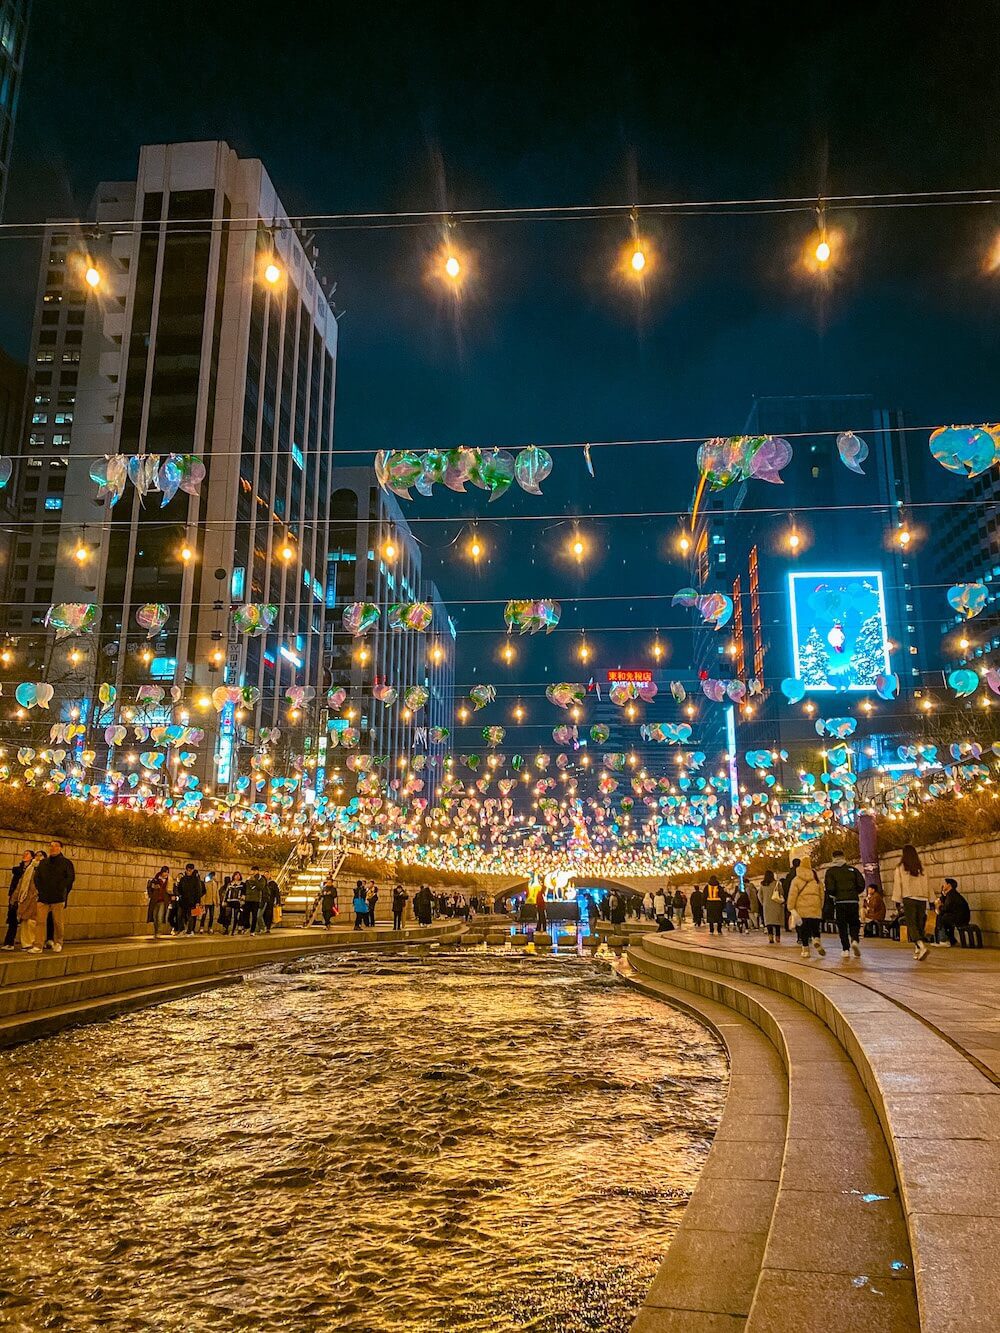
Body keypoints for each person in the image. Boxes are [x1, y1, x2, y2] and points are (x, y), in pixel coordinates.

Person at [29, 840, 74, 954]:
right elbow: (37, 877)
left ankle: (58, 942)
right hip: (43, 896)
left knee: (57, 922)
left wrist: (61, 889)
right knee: (40, 922)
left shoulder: (66, 863)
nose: (53, 848)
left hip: (58, 897)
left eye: (56, 846)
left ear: (61, 848)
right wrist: (40, 889)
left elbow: (70, 878)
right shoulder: (44, 863)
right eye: (51, 846)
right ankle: (38, 945)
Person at [824, 848, 865, 960]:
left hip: (840, 902)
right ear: (843, 857)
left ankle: (845, 949)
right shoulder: (853, 870)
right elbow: (861, 884)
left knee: (842, 925)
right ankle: (855, 940)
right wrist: (854, 893)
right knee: (854, 922)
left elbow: (830, 888)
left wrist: (835, 895)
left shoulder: (831, 872)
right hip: (853, 901)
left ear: (833, 858)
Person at [892, 844, 930, 961]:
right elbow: (928, 883)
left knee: (911, 923)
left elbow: (898, 885)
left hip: (909, 898)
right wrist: (931, 899)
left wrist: (897, 900)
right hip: (922, 899)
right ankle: (917, 949)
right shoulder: (922, 867)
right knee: (919, 923)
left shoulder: (901, 868)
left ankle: (921, 946)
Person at [787, 860, 827, 960]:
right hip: (815, 907)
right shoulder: (816, 879)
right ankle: (816, 940)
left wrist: (790, 907)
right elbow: (822, 895)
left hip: (802, 909)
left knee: (804, 929)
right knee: (815, 927)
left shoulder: (796, 880)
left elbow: (792, 895)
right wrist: (820, 907)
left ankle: (805, 950)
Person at [3, 851, 33, 950]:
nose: (25, 855)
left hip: (26, 898)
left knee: (26, 920)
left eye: (27, 854)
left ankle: (28, 943)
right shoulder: (18, 869)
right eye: (24, 853)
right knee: (12, 919)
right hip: (15, 896)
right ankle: (9, 942)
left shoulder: (33, 869)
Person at [14, 851, 39, 950]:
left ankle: (33, 942)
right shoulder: (28, 869)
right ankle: (26, 943)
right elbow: (21, 884)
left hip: (35, 897)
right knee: (24, 920)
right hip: (25, 897)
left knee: (32, 921)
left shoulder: (41, 869)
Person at [935, 877, 970, 946]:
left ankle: (943, 940)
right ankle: (951, 940)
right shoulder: (951, 894)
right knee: (945, 918)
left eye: (944, 884)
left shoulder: (952, 895)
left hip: (960, 918)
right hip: (962, 917)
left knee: (941, 918)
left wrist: (939, 907)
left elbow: (946, 908)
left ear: (949, 885)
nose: (943, 885)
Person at [174, 863, 204, 936]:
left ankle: (190, 931)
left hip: (192, 901)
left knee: (191, 916)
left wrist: (197, 902)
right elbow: (179, 888)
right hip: (183, 901)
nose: (188, 872)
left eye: (190, 870)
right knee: (179, 915)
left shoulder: (196, 880)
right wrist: (179, 895)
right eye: (187, 870)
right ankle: (182, 929)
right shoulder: (183, 879)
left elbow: (198, 891)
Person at [146, 865, 171, 939]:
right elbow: (149, 887)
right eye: (165, 872)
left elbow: (171, 890)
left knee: (160, 916)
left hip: (163, 901)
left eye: (167, 872)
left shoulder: (169, 881)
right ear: (162, 872)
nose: (166, 874)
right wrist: (151, 894)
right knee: (154, 917)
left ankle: (158, 932)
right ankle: (155, 931)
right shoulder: (155, 879)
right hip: (155, 900)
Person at [761, 869, 784, 943]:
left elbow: (759, 895)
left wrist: (763, 902)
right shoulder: (777, 883)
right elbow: (781, 892)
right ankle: (778, 937)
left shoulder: (762, 884)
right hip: (776, 904)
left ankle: (770, 937)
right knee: (777, 923)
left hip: (766, 905)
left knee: (769, 923)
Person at [242, 867, 266, 933]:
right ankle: (247, 926)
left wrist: (254, 881)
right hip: (248, 899)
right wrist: (244, 895)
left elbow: (261, 887)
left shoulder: (261, 879)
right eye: (252, 870)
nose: (253, 872)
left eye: (254, 870)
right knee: (245, 913)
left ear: (257, 871)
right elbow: (245, 887)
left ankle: (252, 930)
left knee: (254, 915)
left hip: (256, 899)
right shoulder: (248, 878)